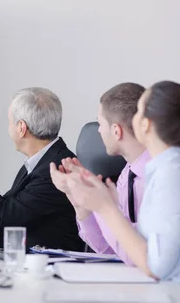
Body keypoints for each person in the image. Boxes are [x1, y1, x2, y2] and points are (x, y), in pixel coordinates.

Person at [63, 81, 180, 299]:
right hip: (174, 290)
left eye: (139, 111)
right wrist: (97, 203)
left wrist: (106, 208)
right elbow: (142, 248)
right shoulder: (164, 168)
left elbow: (156, 267)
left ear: (145, 124)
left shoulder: (173, 173)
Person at [0, 87, 82, 251]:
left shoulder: (54, 169)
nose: (8, 129)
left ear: (21, 128)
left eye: (9, 122)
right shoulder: (42, 161)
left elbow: (3, 220)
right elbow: (6, 210)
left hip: (49, 268)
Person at [51, 82, 151, 263]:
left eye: (100, 123)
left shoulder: (160, 176)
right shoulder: (126, 175)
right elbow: (108, 249)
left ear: (116, 131)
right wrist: (81, 203)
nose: (98, 130)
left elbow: (146, 257)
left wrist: (103, 205)